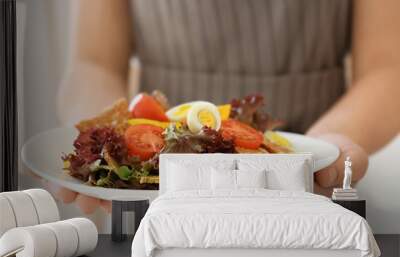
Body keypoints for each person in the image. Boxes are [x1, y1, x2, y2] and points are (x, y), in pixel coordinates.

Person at [55, 0, 400, 214]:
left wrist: (328, 145)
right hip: (155, 193)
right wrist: (108, 150)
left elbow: (387, 67)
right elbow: (93, 63)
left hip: (312, 191)